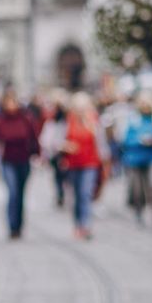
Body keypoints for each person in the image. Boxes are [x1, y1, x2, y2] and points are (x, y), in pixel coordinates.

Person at [0, 91, 40, 239]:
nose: (11, 106)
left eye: (13, 102)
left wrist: (37, 154)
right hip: (7, 161)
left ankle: (19, 224)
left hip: (23, 160)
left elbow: (34, 137)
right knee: (13, 193)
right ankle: (12, 225)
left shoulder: (26, 119)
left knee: (21, 194)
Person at [63, 93, 108, 241]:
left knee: (85, 194)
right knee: (75, 196)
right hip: (73, 163)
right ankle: (77, 223)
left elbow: (101, 143)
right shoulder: (68, 121)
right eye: (78, 108)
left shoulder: (94, 121)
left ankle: (85, 225)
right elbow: (58, 139)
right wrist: (66, 146)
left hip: (90, 163)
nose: (81, 111)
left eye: (83, 108)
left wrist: (106, 161)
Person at [121, 92, 152, 226]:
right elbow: (125, 140)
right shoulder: (133, 120)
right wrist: (139, 141)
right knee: (137, 188)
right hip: (135, 158)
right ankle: (139, 212)